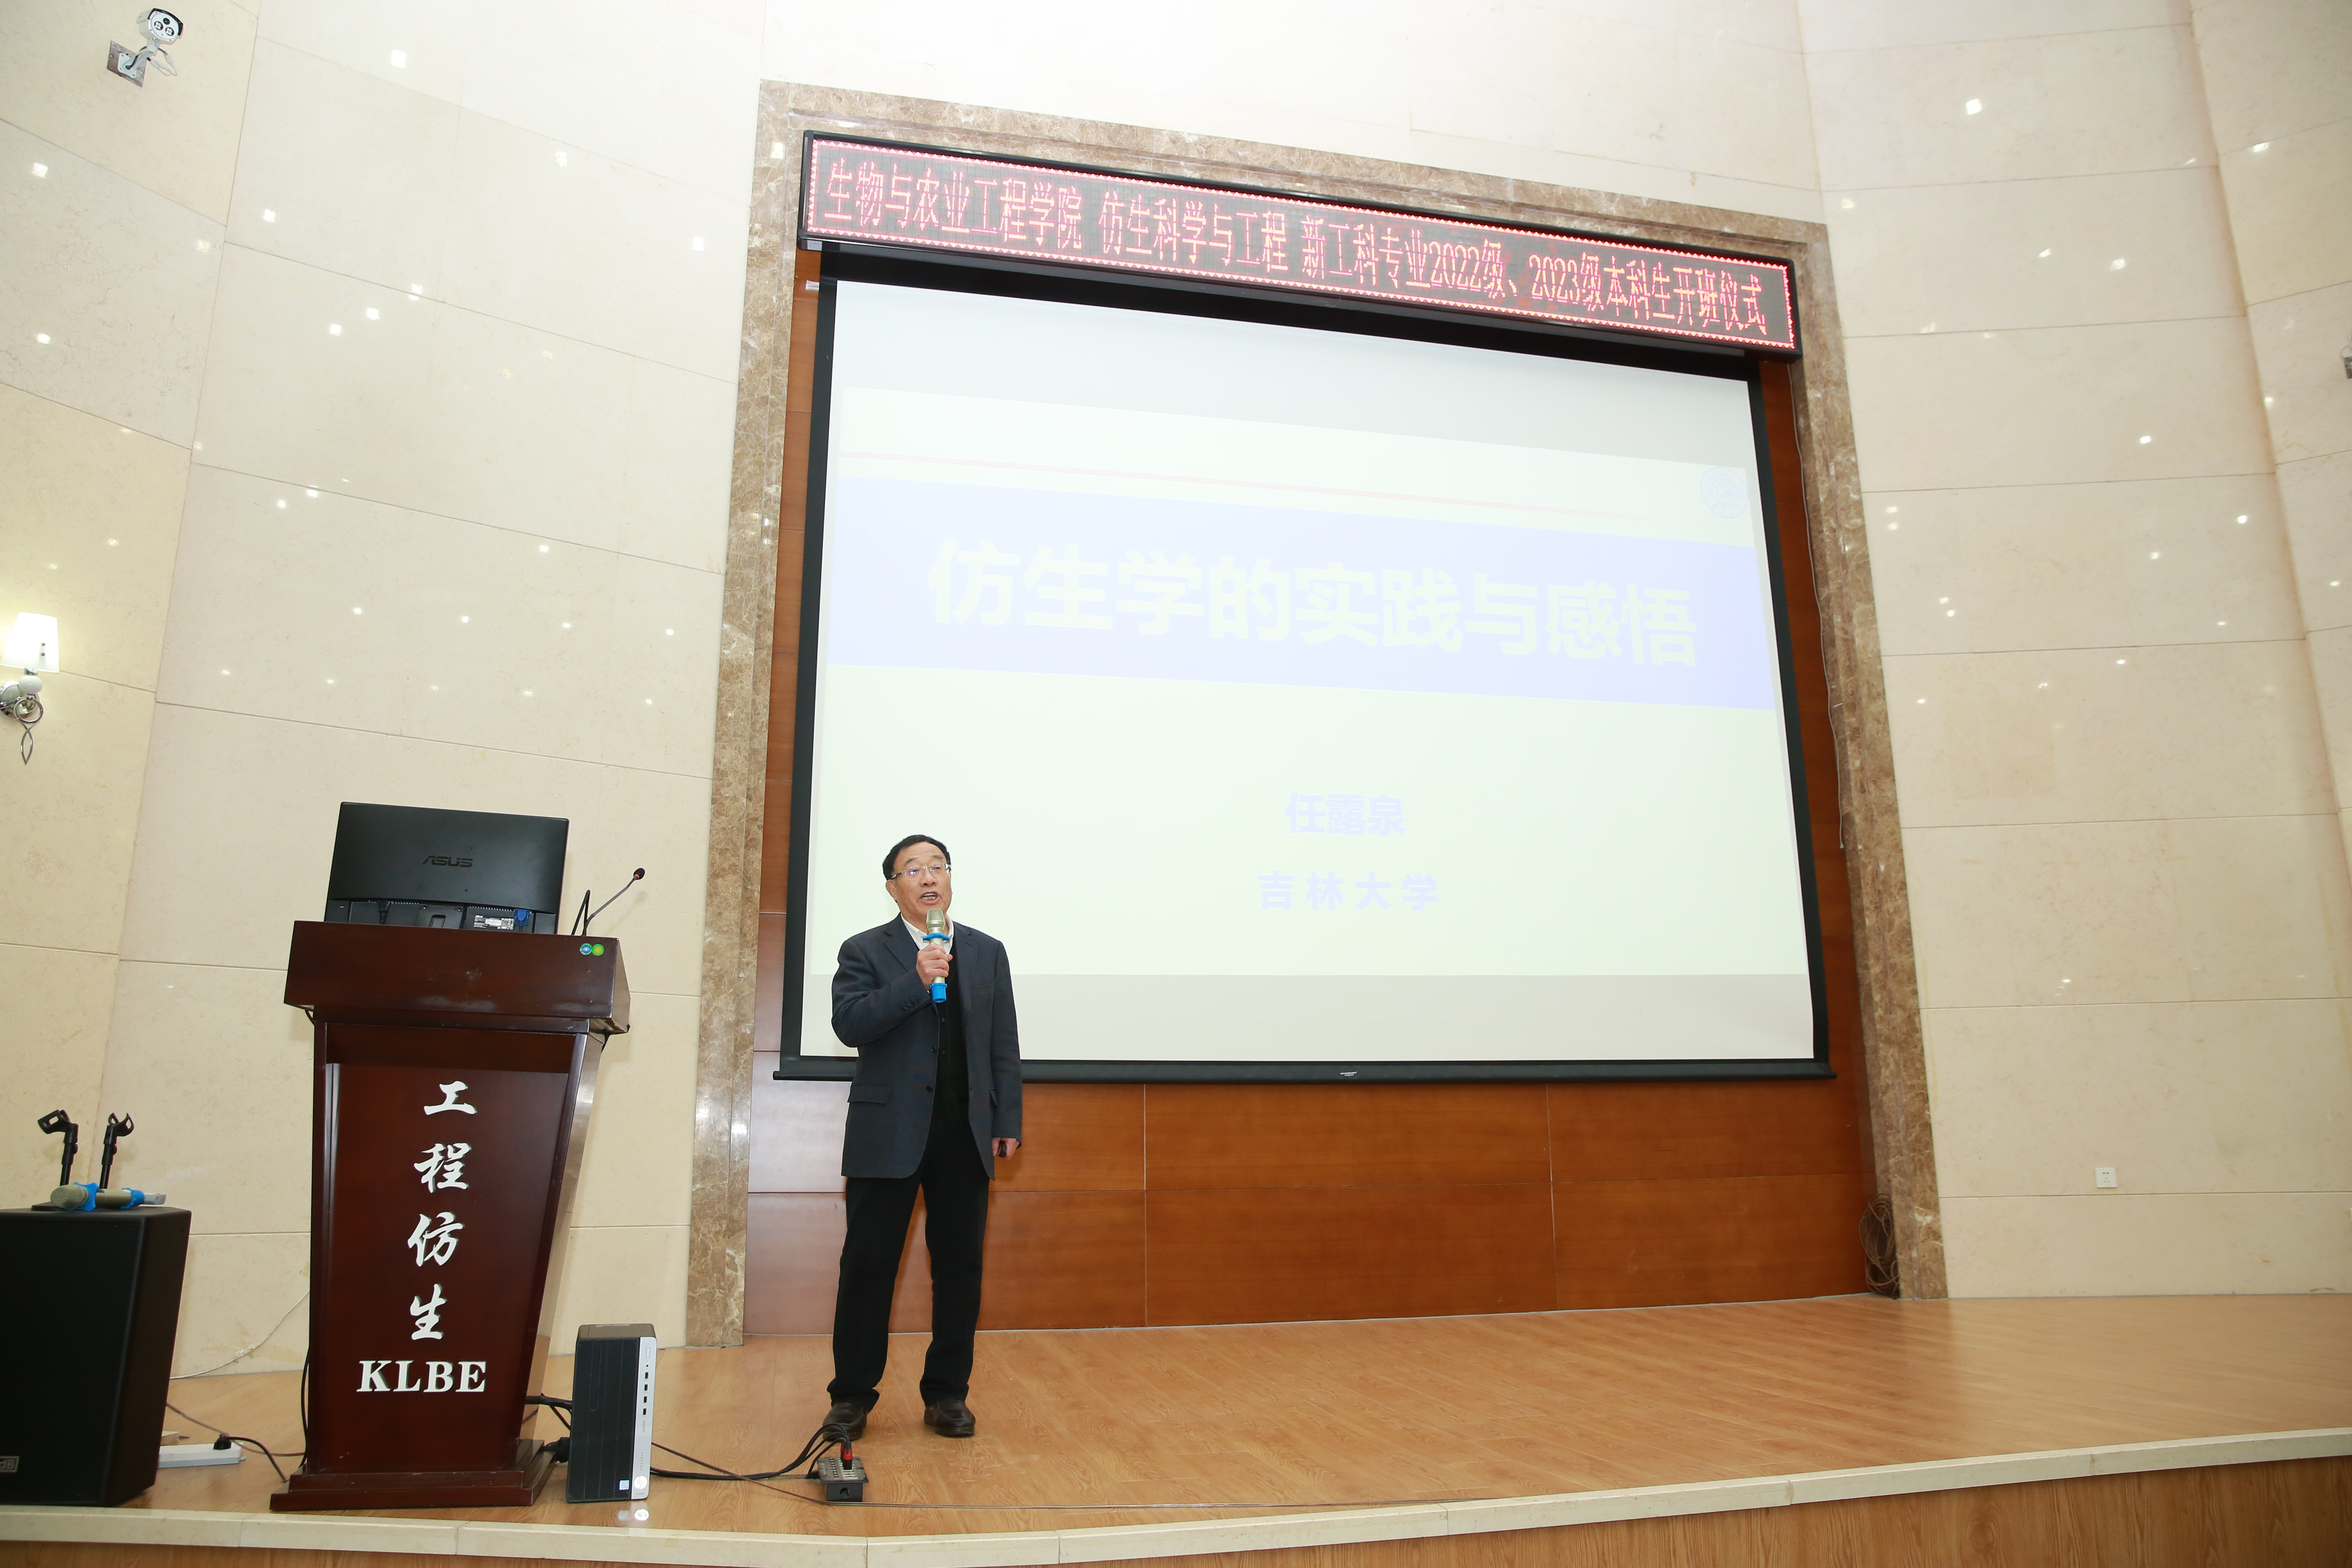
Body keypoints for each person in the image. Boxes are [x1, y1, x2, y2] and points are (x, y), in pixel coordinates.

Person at [822, 834, 1022, 1440]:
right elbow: (850, 1023)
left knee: (960, 1269)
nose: (929, 877)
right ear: (893, 887)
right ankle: (851, 1396)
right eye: (913, 869)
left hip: (965, 1132)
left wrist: (1007, 1119)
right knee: (868, 1267)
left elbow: (1004, 1043)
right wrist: (916, 979)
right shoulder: (863, 949)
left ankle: (947, 1394)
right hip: (888, 1132)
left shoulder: (987, 952)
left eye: (938, 866)